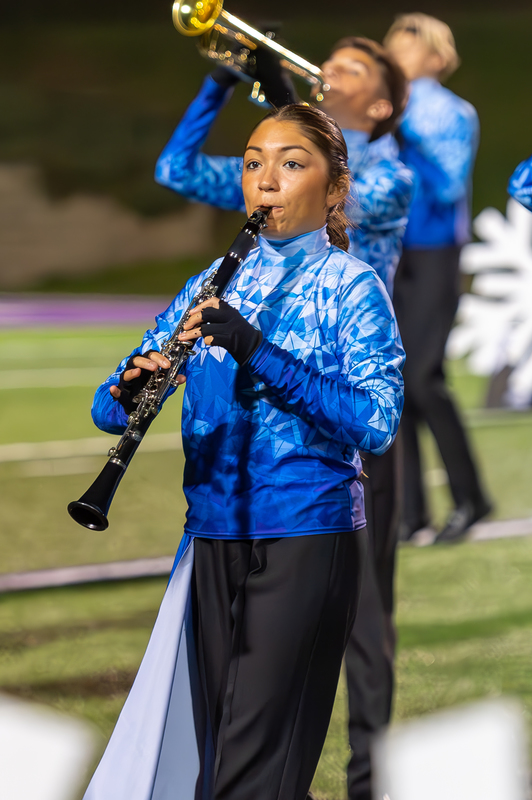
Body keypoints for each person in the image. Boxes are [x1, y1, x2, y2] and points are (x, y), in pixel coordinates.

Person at [82, 104, 405, 800]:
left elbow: (377, 422)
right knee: (217, 764)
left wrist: (257, 350)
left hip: (305, 533)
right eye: (254, 162)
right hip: (212, 533)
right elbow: (108, 410)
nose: (266, 179)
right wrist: (129, 387)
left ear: (334, 189)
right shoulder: (214, 279)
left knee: (252, 772)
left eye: (291, 163)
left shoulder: (352, 286)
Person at [384, 13, 492, 544]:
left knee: (424, 376)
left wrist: (401, 129)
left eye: (409, 46)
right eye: (393, 46)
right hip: (392, 252)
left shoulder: (453, 110)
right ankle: (409, 513)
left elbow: (448, 185)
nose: (397, 54)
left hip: (436, 251)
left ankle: (471, 498)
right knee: (394, 377)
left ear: (435, 55)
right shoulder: (383, 107)